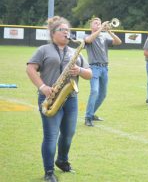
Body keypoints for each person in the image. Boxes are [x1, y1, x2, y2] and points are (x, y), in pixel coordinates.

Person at [26, 16, 92, 181]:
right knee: (51, 136)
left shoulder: (74, 52)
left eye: (67, 30)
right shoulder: (44, 50)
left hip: (70, 98)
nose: (66, 33)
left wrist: (79, 71)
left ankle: (62, 160)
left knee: (69, 133)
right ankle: (49, 172)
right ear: (53, 33)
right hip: (50, 98)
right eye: (62, 30)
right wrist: (43, 87)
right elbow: (30, 69)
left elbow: (89, 74)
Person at [84, 17, 122, 127]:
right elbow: (88, 40)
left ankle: (91, 114)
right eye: (96, 23)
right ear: (91, 26)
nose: (98, 25)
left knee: (103, 94)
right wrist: (101, 29)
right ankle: (87, 117)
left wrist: (109, 31)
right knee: (94, 91)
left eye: (99, 23)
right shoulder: (88, 36)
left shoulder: (103, 38)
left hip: (105, 68)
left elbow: (118, 42)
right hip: (94, 68)